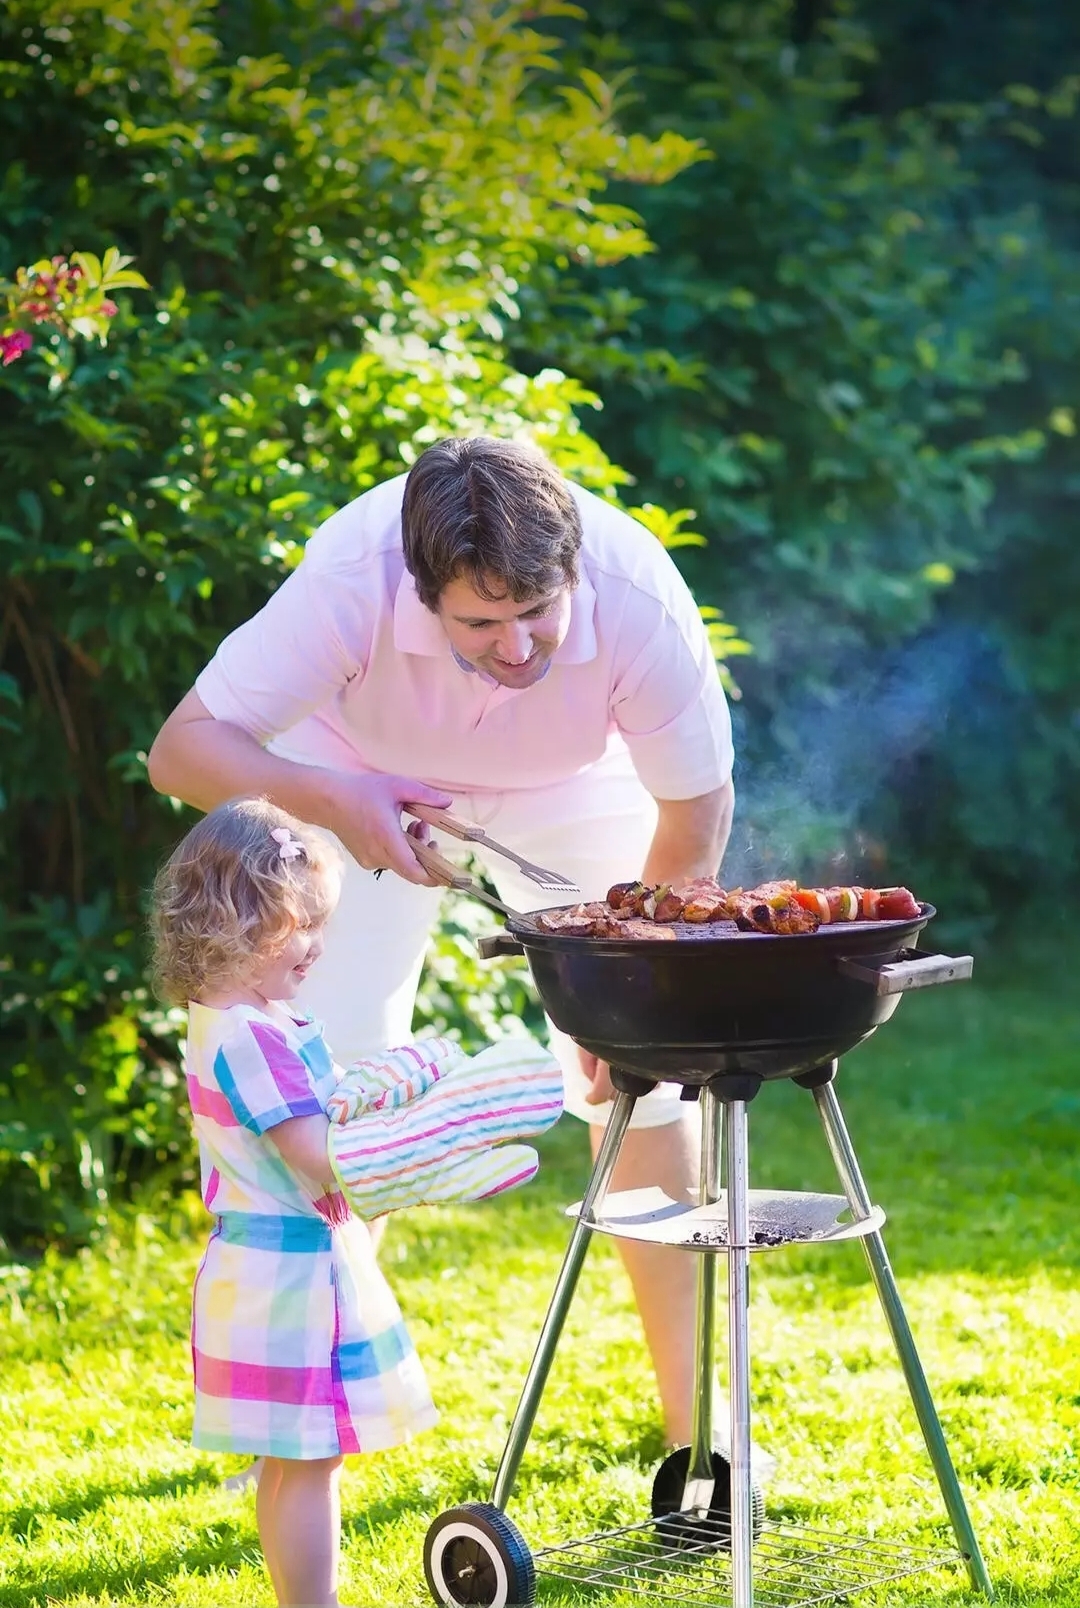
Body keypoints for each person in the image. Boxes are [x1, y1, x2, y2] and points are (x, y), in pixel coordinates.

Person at [147, 434, 736, 1450]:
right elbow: (183, 751)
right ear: (421, 592)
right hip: (349, 775)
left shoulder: (637, 592)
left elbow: (696, 808)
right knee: (314, 1101)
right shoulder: (351, 575)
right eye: (480, 623)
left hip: (575, 784)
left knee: (647, 1087)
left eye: (537, 615)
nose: (516, 650)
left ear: (573, 569)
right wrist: (338, 798)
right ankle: (301, 1422)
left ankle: (702, 1429)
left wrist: (634, 981)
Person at [149, 797, 439, 1608]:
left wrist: (367, 1095)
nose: (317, 944)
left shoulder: (233, 1021)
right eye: (301, 924)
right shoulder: (253, 1038)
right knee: (312, 1462)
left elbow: (316, 1114)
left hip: (270, 1266)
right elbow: (316, 1159)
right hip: (291, 1277)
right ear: (240, 921)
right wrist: (418, 1146)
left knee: (293, 1459)